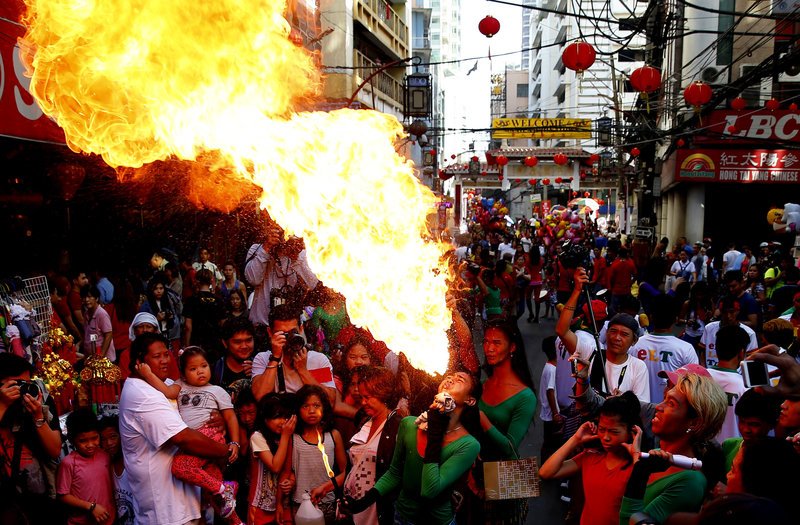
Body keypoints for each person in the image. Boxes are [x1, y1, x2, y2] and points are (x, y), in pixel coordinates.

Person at [119, 333, 230, 524]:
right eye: (156, 356)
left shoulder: (165, 385)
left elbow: (197, 399)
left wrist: (215, 416)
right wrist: (224, 451)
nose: (164, 361)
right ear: (139, 361)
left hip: (185, 501)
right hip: (166, 510)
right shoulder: (141, 394)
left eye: (166, 354)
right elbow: (183, 438)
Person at [348, 371, 482, 525]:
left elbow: (429, 491)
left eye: (460, 380)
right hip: (402, 518)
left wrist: (435, 432)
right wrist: (363, 503)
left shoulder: (469, 445)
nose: (450, 380)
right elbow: (394, 474)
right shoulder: (409, 425)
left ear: (470, 400)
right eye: (449, 377)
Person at [619, 372, 728, 524]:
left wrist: (639, 474)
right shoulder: (656, 455)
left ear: (694, 423)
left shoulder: (690, 482)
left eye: (671, 404)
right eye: (664, 399)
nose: (659, 406)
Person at [311, 367, 403, 525]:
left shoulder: (397, 427)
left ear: (383, 394)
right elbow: (355, 468)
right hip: (351, 507)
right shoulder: (364, 421)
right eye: (362, 397)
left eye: (368, 397)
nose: (363, 402)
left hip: (376, 509)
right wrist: (326, 487)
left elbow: (395, 476)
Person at [540, 392, 642, 525]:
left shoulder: (637, 467)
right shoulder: (590, 456)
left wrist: (636, 453)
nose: (605, 437)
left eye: (614, 432)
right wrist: (575, 439)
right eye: (602, 429)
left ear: (632, 432)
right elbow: (545, 472)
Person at [475, 319, 537, 524]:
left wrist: (482, 420)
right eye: (486, 341)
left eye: (497, 342)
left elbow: (509, 448)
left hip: (505, 477)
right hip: (473, 473)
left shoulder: (525, 396)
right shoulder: (482, 384)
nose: (489, 348)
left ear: (512, 347)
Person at [557, 268, 650, 401]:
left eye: (624, 334)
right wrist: (577, 290)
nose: (617, 337)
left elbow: (641, 406)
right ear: (605, 333)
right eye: (613, 331)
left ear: (634, 341)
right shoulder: (591, 353)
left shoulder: (638, 367)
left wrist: (621, 402)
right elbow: (562, 331)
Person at [0, 354, 63, 523]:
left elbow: (55, 450)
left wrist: (38, 417)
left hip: (40, 498)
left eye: (27, 384)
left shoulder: (40, 401)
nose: (24, 389)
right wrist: (3, 405)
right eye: (17, 384)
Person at [280, 384, 346, 523]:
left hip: (327, 503)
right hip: (300, 503)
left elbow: (345, 473)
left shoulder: (333, 436)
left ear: (324, 408)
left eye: (316, 405)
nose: (311, 411)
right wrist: (281, 501)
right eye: (305, 406)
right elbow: (288, 471)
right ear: (298, 410)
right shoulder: (294, 438)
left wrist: (325, 488)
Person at [251, 304, 336, 402]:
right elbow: (260, 396)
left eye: (293, 332)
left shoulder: (317, 360)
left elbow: (330, 400)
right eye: (282, 334)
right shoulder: (263, 359)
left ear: (301, 329)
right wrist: (275, 359)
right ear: (270, 332)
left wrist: (303, 371)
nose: (288, 339)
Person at [245, 221, 319, 327]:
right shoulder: (257, 249)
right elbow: (253, 279)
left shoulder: (298, 253)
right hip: (263, 326)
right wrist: (266, 248)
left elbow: (313, 284)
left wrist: (295, 257)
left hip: (291, 327)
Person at [630, 294, 699, 404]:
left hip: (639, 409)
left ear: (651, 317)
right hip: (669, 411)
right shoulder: (686, 349)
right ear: (676, 319)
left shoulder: (635, 345)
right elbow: (693, 387)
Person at [56, 408, 115, 525]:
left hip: (109, 519)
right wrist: (91, 507)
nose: (90, 445)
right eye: (83, 441)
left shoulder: (105, 455)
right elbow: (63, 495)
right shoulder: (69, 463)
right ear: (73, 441)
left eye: (94, 438)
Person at [249, 393, 296, 525]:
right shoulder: (257, 437)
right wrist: (286, 437)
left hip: (281, 502)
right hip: (260, 505)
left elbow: (287, 470)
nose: (283, 422)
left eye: (285, 417)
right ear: (265, 418)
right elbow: (275, 466)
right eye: (277, 417)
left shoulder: (285, 437)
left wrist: (291, 480)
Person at [719, 388, 781, 472]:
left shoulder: (779, 456)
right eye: (742, 421)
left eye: (754, 424)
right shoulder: (729, 446)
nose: (746, 429)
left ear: (772, 424)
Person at [706, 326, 749, 442]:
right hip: (732, 452)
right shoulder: (745, 387)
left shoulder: (700, 379)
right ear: (741, 353)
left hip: (701, 450)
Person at [699, 297, 758, 368]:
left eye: (732, 312)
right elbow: (702, 351)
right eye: (725, 312)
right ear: (721, 311)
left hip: (736, 376)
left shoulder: (749, 333)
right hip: (711, 373)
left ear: (738, 311)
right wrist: (704, 370)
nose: (728, 316)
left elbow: (751, 359)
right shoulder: (709, 328)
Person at [99, 416, 135, 525]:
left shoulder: (132, 464)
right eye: (103, 439)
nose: (109, 443)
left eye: (113, 437)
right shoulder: (108, 465)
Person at [182, 269, 225, 358]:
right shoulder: (218, 301)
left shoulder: (191, 300)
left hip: (197, 342)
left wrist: (187, 346)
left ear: (197, 281)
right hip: (215, 343)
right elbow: (223, 324)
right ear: (211, 281)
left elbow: (188, 326)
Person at [138, 273, 182, 351]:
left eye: (161, 288)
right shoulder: (146, 305)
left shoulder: (168, 301)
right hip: (154, 337)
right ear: (151, 290)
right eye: (156, 289)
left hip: (169, 335)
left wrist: (170, 317)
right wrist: (156, 319)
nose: (159, 291)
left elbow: (175, 318)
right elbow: (143, 324)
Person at [213, 317, 256, 390]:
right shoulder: (214, 370)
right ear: (225, 343)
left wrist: (258, 376)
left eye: (248, 340)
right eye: (237, 342)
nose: (244, 346)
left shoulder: (262, 366)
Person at [539, 336, 562, 460]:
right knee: (551, 445)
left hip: (549, 414)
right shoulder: (552, 369)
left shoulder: (550, 367)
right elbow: (550, 391)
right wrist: (555, 413)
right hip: (551, 415)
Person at [81, 285, 116, 361]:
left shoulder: (102, 314)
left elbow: (108, 334)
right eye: (84, 297)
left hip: (104, 360)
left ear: (96, 298)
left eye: (90, 297)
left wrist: (101, 355)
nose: (87, 300)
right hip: (91, 358)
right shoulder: (86, 314)